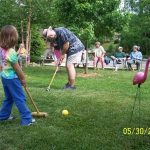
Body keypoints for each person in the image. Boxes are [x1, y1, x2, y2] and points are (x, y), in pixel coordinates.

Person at [0, 25, 35, 126]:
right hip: (12, 78)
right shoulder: (11, 52)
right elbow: (17, 68)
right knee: (19, 98)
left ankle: (3, 116)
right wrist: (23, 78)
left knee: (9, 97)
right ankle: (27, 119)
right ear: (13, 38)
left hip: (4, 77)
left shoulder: (1, 49)